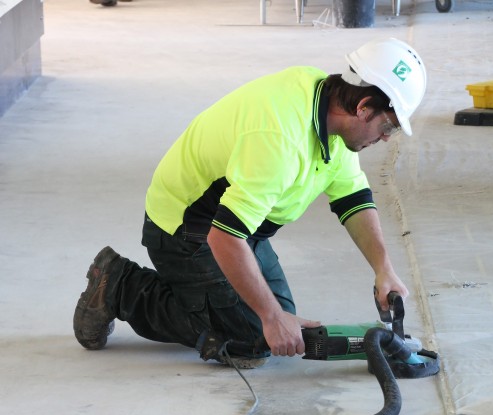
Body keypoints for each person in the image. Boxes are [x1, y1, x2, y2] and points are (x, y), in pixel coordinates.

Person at [73, 37, 427, 368]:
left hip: (242, 226)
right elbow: (224, 237)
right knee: (254, 337)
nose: (385, 138)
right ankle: (121, 286)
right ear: (364, 108)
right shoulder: (279, 138)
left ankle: (212, 301)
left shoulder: (330, 109)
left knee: (282, 317)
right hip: (188, 228)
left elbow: (352, 198)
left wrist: (383, 269)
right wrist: (269, 319)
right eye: (389, 127)